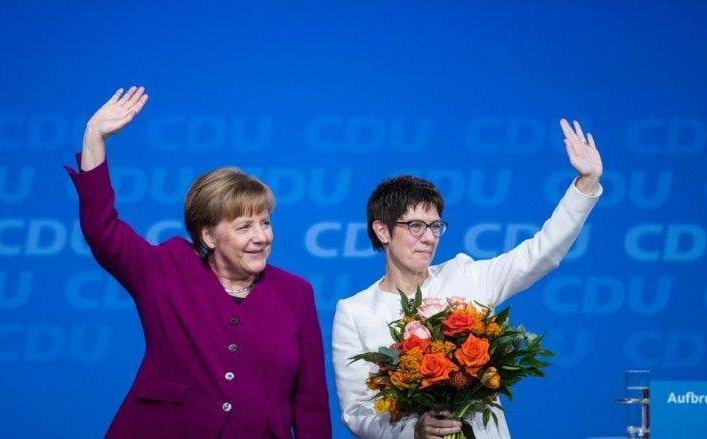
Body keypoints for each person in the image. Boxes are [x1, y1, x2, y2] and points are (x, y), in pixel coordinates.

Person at [66, 86, 331, 438]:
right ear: (208, 236)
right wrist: (94, 139)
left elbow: (309, 399)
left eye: (265, 223)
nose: (261, 237)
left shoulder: (295, 293)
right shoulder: (165, 270)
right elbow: (102, 230)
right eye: (244, 227)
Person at [332, 119, 603, 439]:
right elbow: (358, 411)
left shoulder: (465, 276)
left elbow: (539, 254)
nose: (429, 238)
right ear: (382, 231)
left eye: (435, 227)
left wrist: (586, 183)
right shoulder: (355, 311)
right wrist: (413, 430)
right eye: (415, 226)